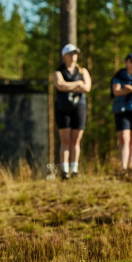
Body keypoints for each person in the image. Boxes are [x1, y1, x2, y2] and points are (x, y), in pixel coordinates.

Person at [54, 44, 92, 180]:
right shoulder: (58, 71)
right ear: (64, 56)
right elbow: (60, 85)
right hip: (63, 108)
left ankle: (74, 169)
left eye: (75, 53)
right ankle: (64, 171)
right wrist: (77, 84)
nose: (74, 56)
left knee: (76, 140)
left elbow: (87, 87)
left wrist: (69, 86)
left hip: (79, 107)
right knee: (65, 140)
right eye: (71, 53)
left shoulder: (82, 71)